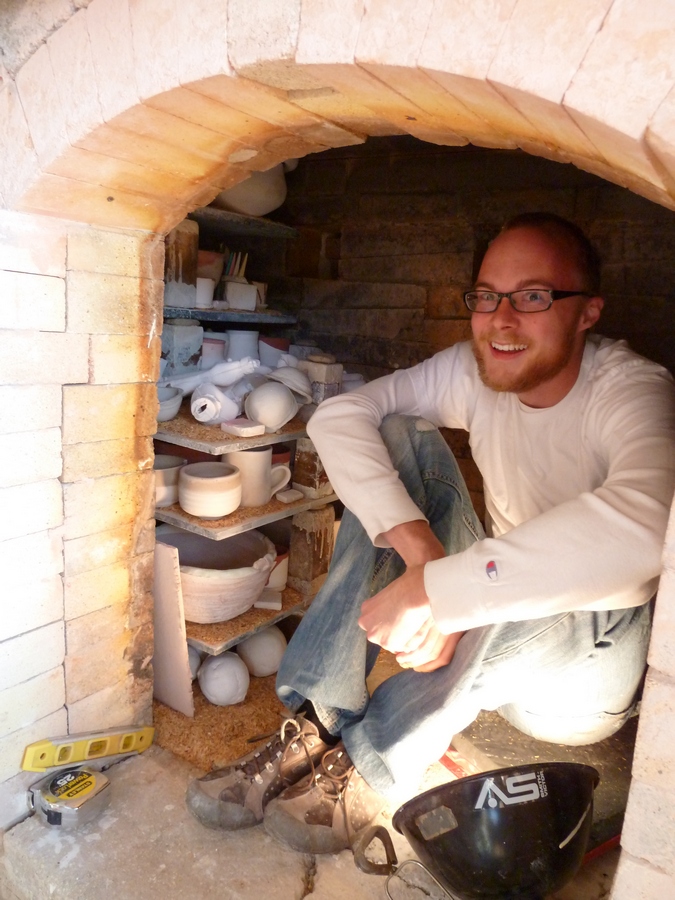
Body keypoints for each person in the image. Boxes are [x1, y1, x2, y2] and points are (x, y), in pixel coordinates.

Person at [186, 213, 675, 855]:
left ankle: (369, 764)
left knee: (544, 582)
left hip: (588, 669)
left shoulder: (633, 390)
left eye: (533, 297)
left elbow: (645, 534)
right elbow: (341, 415)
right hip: (493, 636)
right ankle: (315, 724)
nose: (501, 319)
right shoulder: (479, 369)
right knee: (394, 437)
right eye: (487, 297)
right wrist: (424, 562)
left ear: (587, 312)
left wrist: (442, 593)